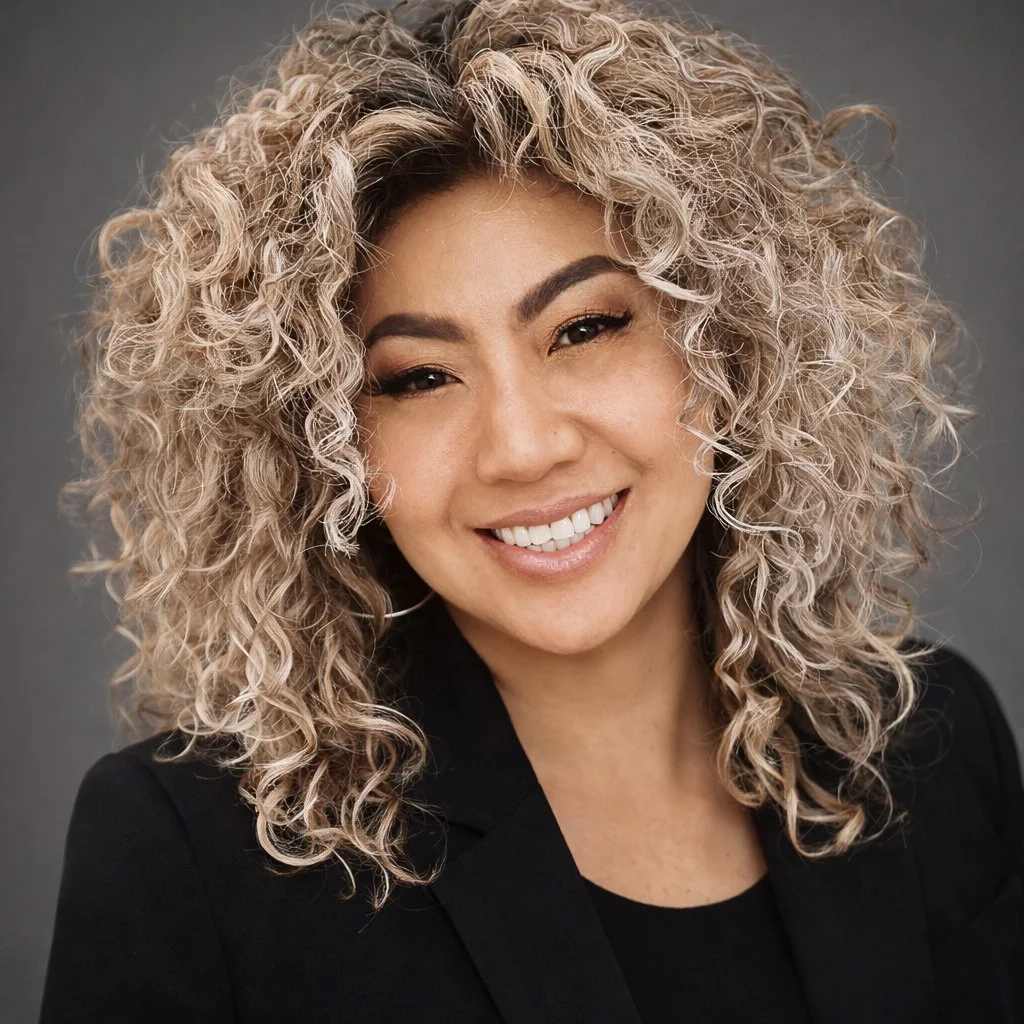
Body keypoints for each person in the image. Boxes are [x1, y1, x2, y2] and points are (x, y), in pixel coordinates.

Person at [40, 0, 1023, 1020]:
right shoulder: (195, 856)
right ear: (319, 444)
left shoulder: (932, 746)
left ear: (733, 343)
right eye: (417, 379)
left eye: (585, 327)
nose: (523, 446)